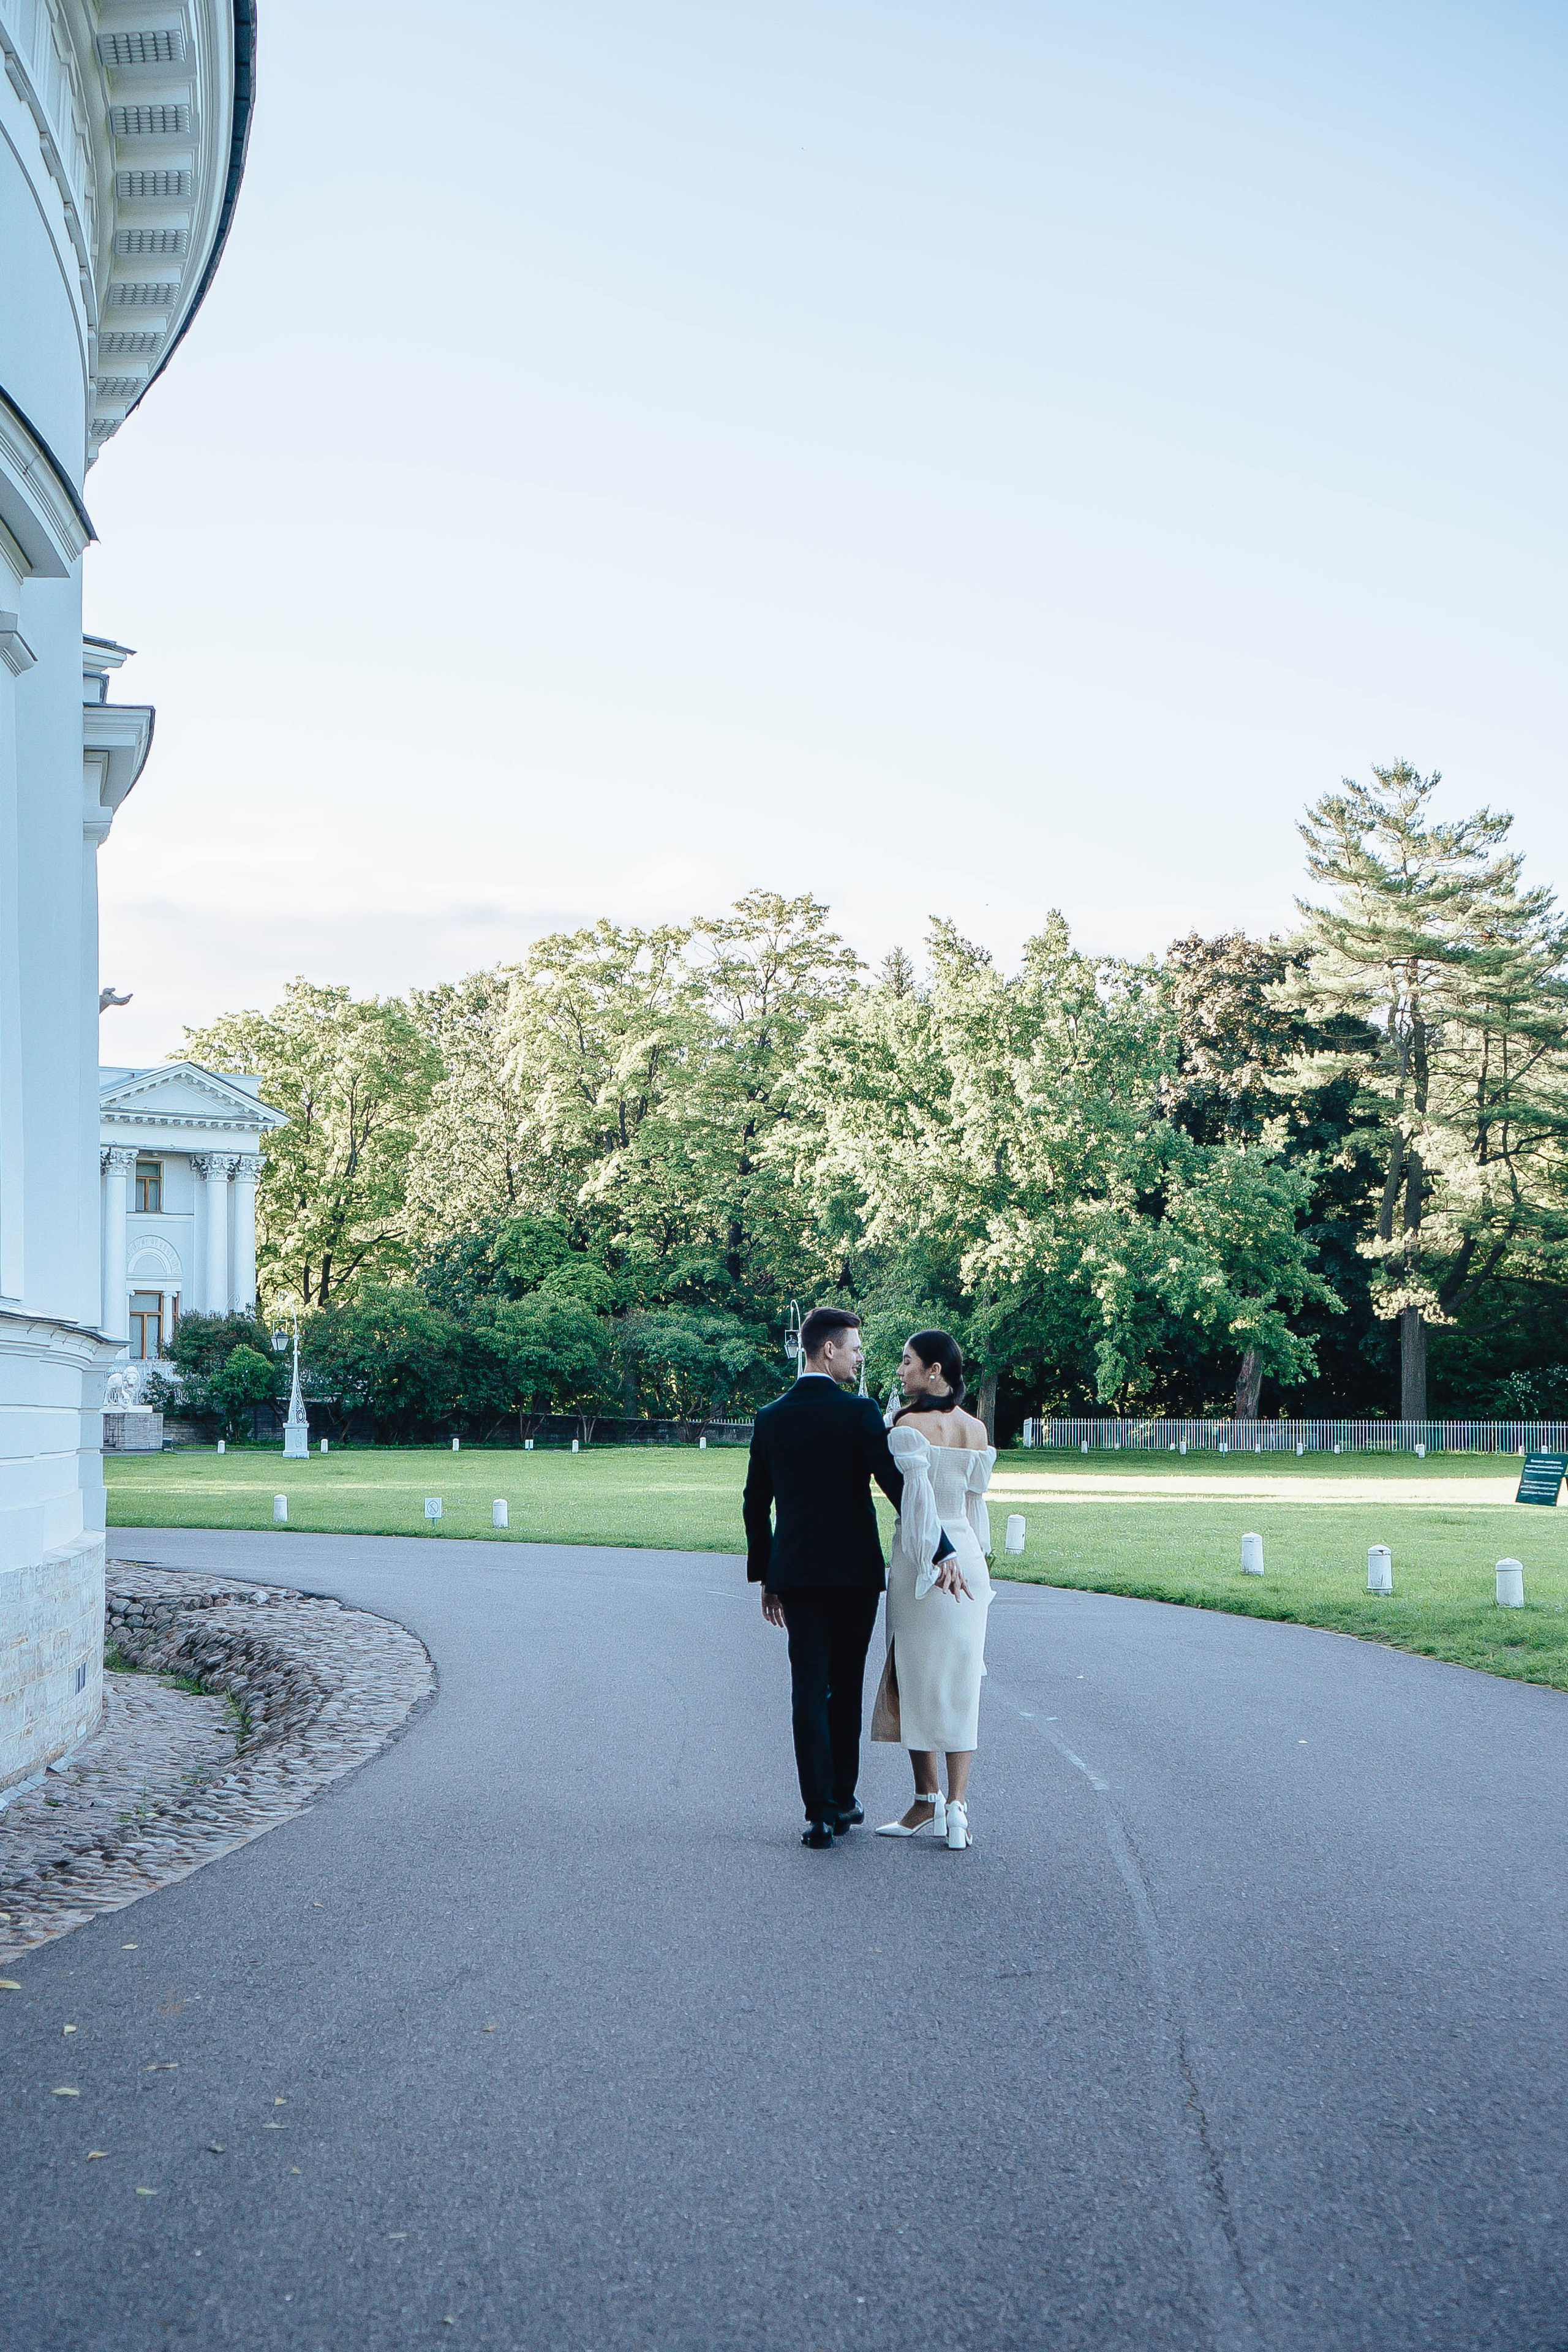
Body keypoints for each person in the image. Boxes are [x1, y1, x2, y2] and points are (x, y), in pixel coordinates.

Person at [744, 1307, 962, 1849]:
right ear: (827, 1351)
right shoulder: (860, 1413)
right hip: (855, 1575)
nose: (861, 1356)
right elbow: (898, 1487)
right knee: (844, 1686)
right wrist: (942, 1549)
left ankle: (819, 1813)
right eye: (855, 1347)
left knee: (807, 1688)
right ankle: (843, 1797)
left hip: (796, 1575)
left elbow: (756, 1504)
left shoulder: (771, 1417)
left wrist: (767, 1575)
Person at [871, 1330, 995, 1851]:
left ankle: (928, 1801)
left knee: (915, 1676)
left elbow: (916, 1509)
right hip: (968, 1558)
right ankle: (958, 1809)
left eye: (907, 1362)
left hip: (926, 1558)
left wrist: (935, 1558)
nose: (901, 1371)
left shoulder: (906, 1427)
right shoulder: (976, 1428)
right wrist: (967, 1560)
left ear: (935, 1371)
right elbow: (974, 1511)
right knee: (962, 1679)